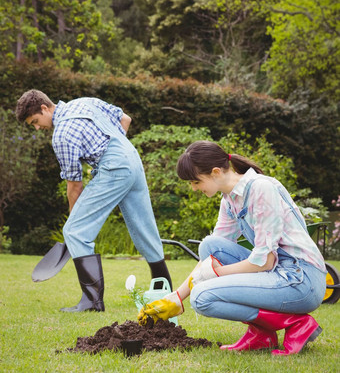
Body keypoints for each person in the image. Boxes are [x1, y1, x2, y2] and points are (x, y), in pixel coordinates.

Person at [138, 140, 327, 356]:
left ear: (216, 172)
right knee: (209, 245)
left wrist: (217, 273)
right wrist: (177, 297)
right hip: (277, 271)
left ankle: (295, 323)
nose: (193, 188)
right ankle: (262, 334)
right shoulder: (229, 199)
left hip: (301, 280)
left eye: (195, 181)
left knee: (202, 298)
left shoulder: (262, 189)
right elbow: (211, 255)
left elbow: (265, 261)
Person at [16, 89, 172, 312]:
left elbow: (74, 185)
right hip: (132, 159)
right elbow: (124, 119)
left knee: (75, 230)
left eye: (35, 121)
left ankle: (92, 302)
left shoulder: (61, 135)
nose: (38, 127)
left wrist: (75, 216)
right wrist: (116, 155)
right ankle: (166, 290)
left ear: (44, 108)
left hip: (115, 168)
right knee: (143, 227)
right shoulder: (84, 102)